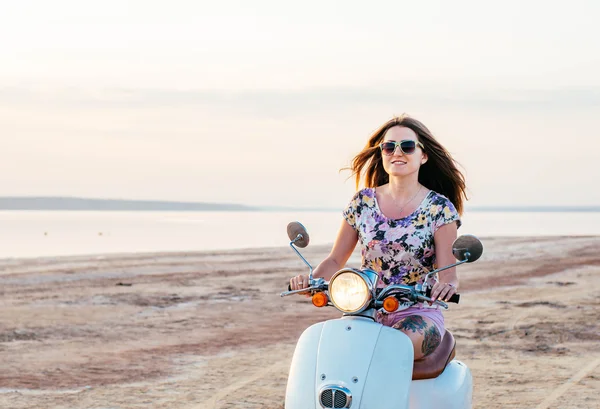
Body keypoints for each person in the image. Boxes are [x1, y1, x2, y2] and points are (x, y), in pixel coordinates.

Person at [289, 114, 467, 359]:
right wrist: (309, 282)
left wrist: (446, 287)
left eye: (407, 146)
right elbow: (334, 261)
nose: (397, 152)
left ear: (423, 155)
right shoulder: (362, 203)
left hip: (417, 312)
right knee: (324, 350)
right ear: (382, 153)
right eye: (388, 146)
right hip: (364, 310)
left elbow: (448, 275)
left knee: (392, 348)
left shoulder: (439, 208)